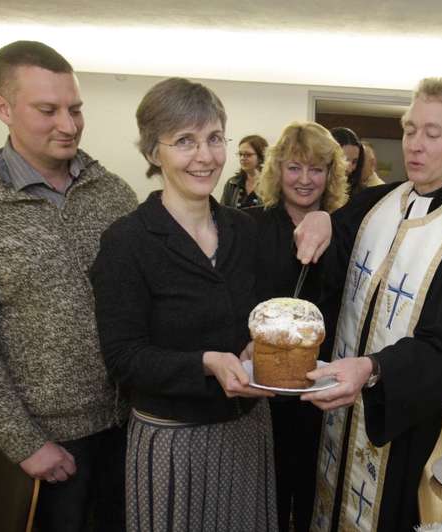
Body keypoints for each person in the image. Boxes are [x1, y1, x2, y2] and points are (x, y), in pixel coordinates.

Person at [90, 79, 330, 532]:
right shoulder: (127, 242)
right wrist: (206, 363)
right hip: (174, 442)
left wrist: (326, 217)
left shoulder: (245, 230)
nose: (205, 156)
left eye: (215, 138)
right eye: (185, 141)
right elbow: (123, 358)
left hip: (248, 432)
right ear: (151, 152)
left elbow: (266, 316)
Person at [0, 40, 137, 531]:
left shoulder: (113, 193)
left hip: (125, 426)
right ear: (3, 108)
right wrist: (25, 443)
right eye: (48, 110)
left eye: (75, 108)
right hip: (42, 442)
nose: (69, 124)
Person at [304, 77, 442, 532]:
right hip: (334, 412)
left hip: (397, 425)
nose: (415, 144)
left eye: (432, 133)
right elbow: (328, 275)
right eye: (409, 129)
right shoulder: (375, 204)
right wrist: (320, 217)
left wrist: (374, 368)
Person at [246, 121, 348, 531]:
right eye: (294, 168)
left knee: (311, 482)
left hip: (320, 381)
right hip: (262, 382)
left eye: (316, 169)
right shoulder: (250, 226)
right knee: (266, 485)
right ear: (277, 171)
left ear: (330, 175)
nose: (305, 180)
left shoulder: (344, 231)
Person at [221, 134, 268, 208]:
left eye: (248, 154)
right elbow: (222, 212)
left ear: (260, 156)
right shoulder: (232, 183)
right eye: (240, 154)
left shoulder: (272, 184)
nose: (242, 158)